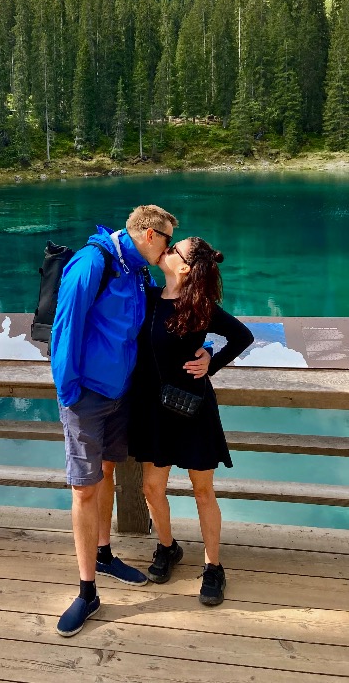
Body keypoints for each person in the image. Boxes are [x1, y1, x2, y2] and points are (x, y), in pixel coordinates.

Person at [51, 203, 179, 638]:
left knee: (106, 472)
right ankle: (87, 591)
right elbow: (65, 329)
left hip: (120, 393)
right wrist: (70, 395)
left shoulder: (135, 270)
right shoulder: (92, 263)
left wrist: (200, 352)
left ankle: (104, 554)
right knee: (85, 490)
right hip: (86, 396)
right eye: (166, 242)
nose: (169, 251)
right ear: (147, 234)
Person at [129, 236, 253, 607]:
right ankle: (167, 547)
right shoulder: (148, 298)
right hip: (154, 410)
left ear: (183, 267)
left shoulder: (199, 306)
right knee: (152, 488)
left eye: (172, 250)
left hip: (192, 409)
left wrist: (210, 361)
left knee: (202, 491)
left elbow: (242, 336)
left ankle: (213, 566)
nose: (163, 252)